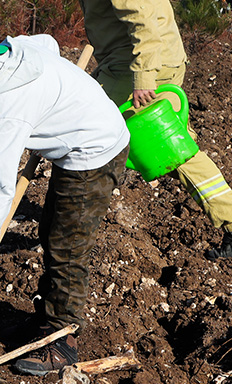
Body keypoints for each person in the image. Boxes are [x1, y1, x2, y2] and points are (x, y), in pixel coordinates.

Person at [0, 22, 129, 375]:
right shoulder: (13, 48)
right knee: (50, 231)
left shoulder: (6, 106)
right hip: (82, 139)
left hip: (94, 151)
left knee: (67, 244)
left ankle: (62, 340)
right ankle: (46, 319)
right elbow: (47, 41)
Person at [78, 0, 232, 260]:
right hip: (126, 62)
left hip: (142, 66)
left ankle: (74, 231)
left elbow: (143, 22)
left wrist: (144, 76)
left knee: (168, 151)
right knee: (172, 151)